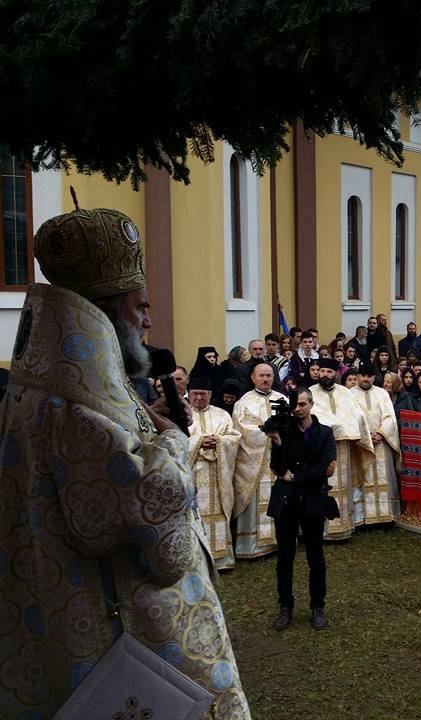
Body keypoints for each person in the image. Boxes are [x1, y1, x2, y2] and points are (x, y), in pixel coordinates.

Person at [0, 204, 248, 717]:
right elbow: (158, 539)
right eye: (141, 307)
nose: (150, 319)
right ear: (108, 312)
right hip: (119, 641)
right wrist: (174, 440)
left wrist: (144, 427)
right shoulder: (81, 405)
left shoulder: (43, 383)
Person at [266, 388, 337, 631]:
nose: (298, 409)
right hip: (286, 502)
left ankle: (318, 607)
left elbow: (323, 467)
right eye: (295, 405)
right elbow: (276, 466)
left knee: (315, 557)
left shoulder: (325, 433)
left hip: (313, 500)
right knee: (285, 557)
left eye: (302, 404)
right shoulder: (285, 430)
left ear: (311, 405)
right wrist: (277, 442)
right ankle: (285, 607)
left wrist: (294, 477)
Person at [308, 358, 375, 540]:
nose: (325, 375)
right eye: (322, 371)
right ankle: (321, 529)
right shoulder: (310, 393)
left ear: (336, 374)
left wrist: (342, 427)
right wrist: (334, 426)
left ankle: (344, 525)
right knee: (321, 486)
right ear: (317, 372)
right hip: (319, 448)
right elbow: (308, 418)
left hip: (343, 446)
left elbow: (358, 415)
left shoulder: (346, 393)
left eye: (329, 372)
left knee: (343, 485)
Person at [188, 375, 242, 570]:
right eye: (195, 394)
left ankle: (221, 559)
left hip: (218, 473)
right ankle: (197, 560)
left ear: (210, 395)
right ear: (189, 394)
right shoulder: (181, 415)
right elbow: (173, 441)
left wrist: (219, 441)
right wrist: (198, 442)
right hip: (192, 473)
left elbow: (234, 438)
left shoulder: (222, 415)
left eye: (203, 394)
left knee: (218, 513)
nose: (199, 398)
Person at [233, 362, 286, 559]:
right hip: (255, 462)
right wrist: (267, 432)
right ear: (253, 378)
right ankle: (252, 545)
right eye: (261, 375)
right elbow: (240, 429)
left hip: (279, 459)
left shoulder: (283, 399)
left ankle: (280, 540)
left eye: (269, 376)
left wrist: (280, 434)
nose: (265, 379)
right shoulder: (244, 403)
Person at [352, 363, 402, 526]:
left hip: (382, 441)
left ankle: (386, 515)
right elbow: (350, 419)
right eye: (363, 375)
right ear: (358, 376)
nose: (366, 379)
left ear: (374, 377)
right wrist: (365, 436)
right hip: (361, 444)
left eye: (369, 376)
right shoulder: (349, 395)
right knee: (363, 477)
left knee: (384, 477)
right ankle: (363, 516)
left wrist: (381, 433)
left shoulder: (382, 394)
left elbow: (390, 417)